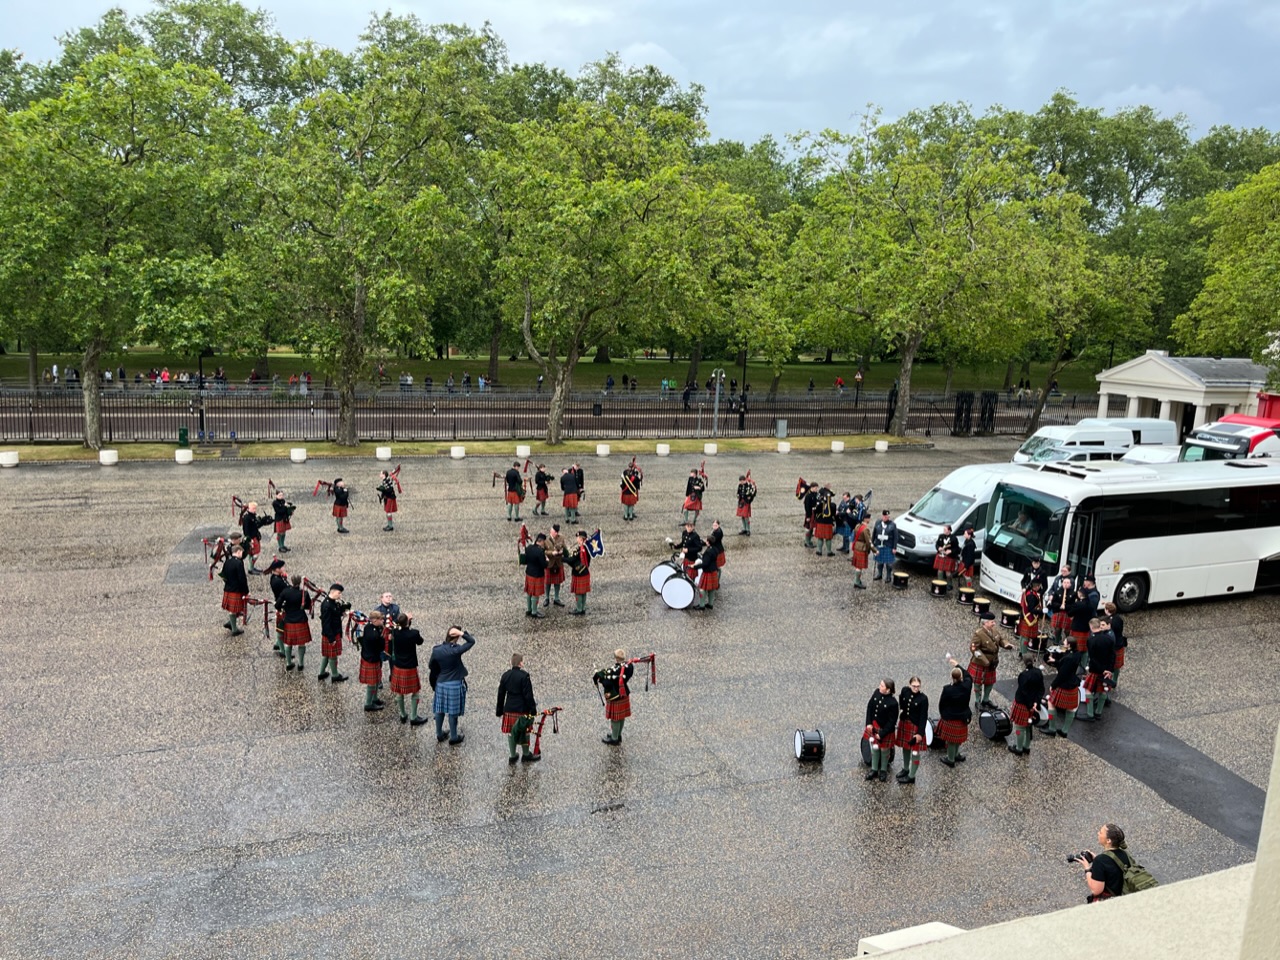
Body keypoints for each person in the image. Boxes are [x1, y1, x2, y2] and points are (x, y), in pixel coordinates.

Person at [429, 625, 476, 743]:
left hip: (441, 683)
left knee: (439, 710)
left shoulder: (436, 650)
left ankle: (439, 734)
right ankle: (454, 737)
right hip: (454, 683)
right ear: (456, 637)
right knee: (453, 712)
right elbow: (471, 641)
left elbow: (431, 665)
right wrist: (462, 633)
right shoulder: (456, 650)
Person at [496, 653, 539, 764]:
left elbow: (501, 694)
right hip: (522, 709)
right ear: (520, 663)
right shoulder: (524, 676)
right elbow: (528, 695)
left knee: (511, 732)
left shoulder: (505, 675)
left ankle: (513, 755)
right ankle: (526, 754)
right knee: (525, 731)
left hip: (509, 709)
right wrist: (533, 709)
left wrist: (499, 710)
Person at [968, 610, 1014, 710]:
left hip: (992, 662)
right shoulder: (978, 634)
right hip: (981, 662)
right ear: (985, 622)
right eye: (992, 622)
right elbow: (973, 648)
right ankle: (977, 701)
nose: (994, 623)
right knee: (978, 683)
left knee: (990, 682)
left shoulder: (994, 630)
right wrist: (984, 660)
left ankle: (986, 700)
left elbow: (1000, 639)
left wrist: (1006, 644)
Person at [1079, 824, 1137, 902]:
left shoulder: (1100, 860)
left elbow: (1096, 890)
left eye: (1101, 832)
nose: (1098, 833)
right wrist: (1096, 860)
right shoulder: (1124, 854)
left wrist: (1087, 869)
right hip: (1126, 896)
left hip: (1112, 902)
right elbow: (1113, 867)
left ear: (1108, 840)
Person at [391, 613, 430, 726]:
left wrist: (404, 620)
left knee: (399, 693)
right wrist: (408, 621)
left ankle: (403, 715)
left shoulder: (395, 632)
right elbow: (420, 642)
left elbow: (396, 624)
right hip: (410, 666)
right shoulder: (414, 633)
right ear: (408, 622)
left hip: (398, 666)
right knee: (415, 692)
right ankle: (413, 717)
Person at [593, 648, 634, 745]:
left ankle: (614, 738)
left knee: (615, 719)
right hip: (624, 693)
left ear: (616, 658)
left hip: (615, 695)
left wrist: (601, 679)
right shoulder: (629, 666)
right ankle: (618, 735)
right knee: (621, 717)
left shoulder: (614, 671)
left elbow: (607, 683)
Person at [938, 661, 974, 767]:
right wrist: (957, 665)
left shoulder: (947, 689)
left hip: (950, 718)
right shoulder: (967, 686)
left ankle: (950, 759)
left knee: (951, 741)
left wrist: (943, 715)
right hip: (963, 717)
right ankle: (956, 754)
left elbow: (942, 704)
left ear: (952, 677)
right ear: (961, 677)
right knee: (957, 739)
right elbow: (969, 676)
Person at [1008, 655, 1046, 755]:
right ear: (1033, 661)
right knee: (1028, 726)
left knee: (1019, 727)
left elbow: (1024, 692)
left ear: (1024, 663)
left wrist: (1030, 705)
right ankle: (1026, 747)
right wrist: (1036, 703)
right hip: (1033, 704)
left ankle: (1019, 748)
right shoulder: (1038, 672)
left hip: (1023, 704)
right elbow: (1041, 689)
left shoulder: (1023, 675)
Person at [894, 676, 929, 784]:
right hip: (905, 723)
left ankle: (911, 776)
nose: (916, 688)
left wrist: (920, 734)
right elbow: (901, 700)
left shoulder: (923, 699)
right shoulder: (905, 691)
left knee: (915, 752)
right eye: (914, 686)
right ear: (910, 685)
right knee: (905, 747)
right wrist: (901, 710)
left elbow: (923, 717)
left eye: (918, 686)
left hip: (915, 727)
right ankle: (905, 769)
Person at [863, 679, 899, 782]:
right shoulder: (876, 693)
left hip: (885, 730)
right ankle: (874, 769)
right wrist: (868, 723)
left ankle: (883, 770)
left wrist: (882, 734)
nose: (879, 687)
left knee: (884, 750)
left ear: (888, 690)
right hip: (874, 726)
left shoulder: (893, 703)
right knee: (875, 747)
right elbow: (870, 707)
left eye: (882, 686)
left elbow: (892, 722)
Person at [1045, 643, 1084, 739]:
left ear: (1069, 645)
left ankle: (1052, 728)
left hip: (1064, 685)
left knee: (1051, 703)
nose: (1063, 643)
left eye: (1065, 642)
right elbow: (1067, 666)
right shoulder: (1077, 654)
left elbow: (1062, 674)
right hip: (1073, 684)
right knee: (1071, 708)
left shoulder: (1069, 657)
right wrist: (1056, 661)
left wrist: (1053, 685)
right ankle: (1064, 731)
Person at [1082, 618, 1117, 721]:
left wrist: (1101, 670)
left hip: (1095, 670)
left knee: (1088, 690)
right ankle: (1098, 712)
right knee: (1103, 691)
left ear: (1091, 627)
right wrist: (1109, 670)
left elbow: (1092, 657)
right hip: (1107, 670)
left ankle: (1090, 714)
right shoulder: (1109, 639)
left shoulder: (1091, 640)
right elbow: (1113, 655)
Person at [278, 574, 312, 672]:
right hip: (301, 620)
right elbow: (308, 606)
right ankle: (300, 664)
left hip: (289, 620)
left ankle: (289, 663)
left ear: (291, 581)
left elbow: (277, 605)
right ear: (300, 582)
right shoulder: (304, 593)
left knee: (288, 644)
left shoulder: (285, 592)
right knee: (302, 643)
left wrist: (285, 608)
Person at [317, 583, 350, 683]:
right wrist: (331, 638)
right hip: (331, 633)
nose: (340, 595)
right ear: (333, 592)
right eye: (339, 593)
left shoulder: (332, 602)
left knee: (327, 654)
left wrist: (342, 612)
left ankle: (321, 673)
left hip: (333, 632)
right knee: (332, 656)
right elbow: (326, 624)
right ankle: (335, 676)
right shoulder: (327, 605)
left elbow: (335, 613)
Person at [358, 611, 387, 711]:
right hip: (371, 659)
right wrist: (384, 636)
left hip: (369, 657)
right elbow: (381, 646)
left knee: (376, 680)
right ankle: (368, 704)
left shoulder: (368, 627)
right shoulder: (374, 635)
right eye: (380, 619)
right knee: (372, 682)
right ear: (374, 620)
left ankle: (374, 699)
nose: (382, 621)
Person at [219, 542, 249, 636]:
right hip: (236, 590)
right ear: (238, 551)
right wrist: (246, 591)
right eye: (242, 552)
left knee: (234, 609)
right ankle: (234, 630)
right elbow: (242, 579)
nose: (242, 554)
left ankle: (231, 623)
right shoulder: (239, 563)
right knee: (234, 610)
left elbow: (223, 575)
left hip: (228, 588)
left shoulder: (227, 561)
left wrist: (228, 583)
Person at [693, 528, 724, 610]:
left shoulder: (708, 552)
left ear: (708, 542)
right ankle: (710, 604)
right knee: (712, 589)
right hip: (714, 571)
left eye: (706, 541)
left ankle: (702, 605)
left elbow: (705, 564)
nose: (705, 542)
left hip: (707, 572)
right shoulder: (715, 549)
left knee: (702, 589)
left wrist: (695, 567)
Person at [239, 501, 272, 575]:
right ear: (249, 509)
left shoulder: (252, 516)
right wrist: (249, 540)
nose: (255, 510)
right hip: (251, 538)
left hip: (255, 536)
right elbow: (246, 530)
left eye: (255, 508)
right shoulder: (247, 518)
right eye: (253, 508)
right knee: (254, 553)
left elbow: (255, 526)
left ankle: (252, 567)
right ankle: (251, 569)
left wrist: (263, 522)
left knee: (254, 553)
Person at [267, 558, 289, 657]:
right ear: (277, 569)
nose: (284, 568)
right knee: (281, 629)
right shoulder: (277, 581)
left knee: (282, 627)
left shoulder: (277, 577)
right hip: (283, 606)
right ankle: (282, 651)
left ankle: (277, 644)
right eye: (282, 567)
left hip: (282, 603)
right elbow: (287, 591)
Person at [523, 533, 548, 618]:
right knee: (535, 594)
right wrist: (547, 561)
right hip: (537, 575)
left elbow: (526, 559)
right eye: (544, 542)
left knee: (529, 592)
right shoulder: (540, 551)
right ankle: (534, 612)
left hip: (529, 573)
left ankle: (529, 609)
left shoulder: (529, 548)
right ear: (541, 541)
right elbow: (544, 565)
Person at [1103, 602, 1127, 687]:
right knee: (1117, 666)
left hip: (1113, 646)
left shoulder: (1109, 622)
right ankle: (1114, 680)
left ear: (1107, 610)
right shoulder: (1119, 618)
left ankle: (1108, 680)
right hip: (1119, 644)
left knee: (1109, 665)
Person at [1017, 580, 1044, 656]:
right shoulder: (1031, 596)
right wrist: (1041, 612)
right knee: (1025, 637)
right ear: (1037, 587)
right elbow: (1031, 609)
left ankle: (1021, 651)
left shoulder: (1029, 592)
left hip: (1024, 617)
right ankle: (1024, 654)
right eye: (1039, 586)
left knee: (1023, 636)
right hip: (1029, 618)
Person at [871, 509, 898, 583]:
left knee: (889, 563)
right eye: (884, 516)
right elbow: (874, 533)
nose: (885, 518)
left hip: (888, 546)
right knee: (879, 562)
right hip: (879, 545)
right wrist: (872, 543)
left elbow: (896, 537)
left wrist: (894, 547)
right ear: (882, 516)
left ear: (889, 516)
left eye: (887, 516)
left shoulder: (893, 525)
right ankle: (879, 574)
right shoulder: (878, 523)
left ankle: (888, 576)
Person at [569, 529, 592, 616]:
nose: (577, 539)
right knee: (583, 592)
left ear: (581, 539)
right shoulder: (586, 548)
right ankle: (582, 608)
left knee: (578, 592)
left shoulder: (581, 550)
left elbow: (572, 560)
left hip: (579, 573)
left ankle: (579, 609)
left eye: (578, 537)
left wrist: (562, 558)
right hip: (585, 572)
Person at [544, 524, 567, 608]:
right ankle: (547, 598)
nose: (552, 532)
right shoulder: (546, 540)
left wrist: (562, 552)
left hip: (558, 563)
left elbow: (565, 549)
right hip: (549, 564)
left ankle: (556, 598)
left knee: (557, 582)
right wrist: (551, 553)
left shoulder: (561, 538)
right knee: (547, 582)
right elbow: (543, 551)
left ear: (557, 533)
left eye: (554, 531)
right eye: (552, 530)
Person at [812, 485, 837, 557]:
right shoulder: (833, 505)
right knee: (828, 538)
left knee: (820, 537)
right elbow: (834, 514)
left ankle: (819, 551)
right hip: (828, 522)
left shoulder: (819, 504)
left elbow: (815, 512)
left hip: (820, 521)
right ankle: (829, 552)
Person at [850, 510, 873, 589]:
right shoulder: (865, 529)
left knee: (858, 566)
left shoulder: (858, 526)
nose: (869, 520)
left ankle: (857, 580)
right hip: (862, 548)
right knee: (859, 567)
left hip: (857, 546)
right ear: (866, 519)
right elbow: (868, 542)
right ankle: (857, 582)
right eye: (869, 518)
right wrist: (874, 550)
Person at [801, 482, 819, 548]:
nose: (816, 489)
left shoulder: (816, 494)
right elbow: (807, 507)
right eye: (815, 488)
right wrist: (808, 516)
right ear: (812, 488)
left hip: (814, 513)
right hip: (810, 513)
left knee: (811, 528)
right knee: (809, 528)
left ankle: (809, 540)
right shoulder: (808, 496)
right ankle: (807, 542)